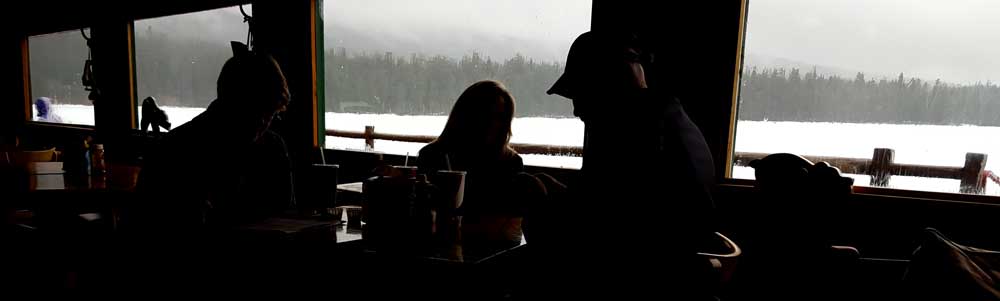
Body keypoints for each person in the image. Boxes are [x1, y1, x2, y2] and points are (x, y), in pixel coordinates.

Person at [532, 31, 719, 299]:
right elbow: (619, 206)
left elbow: (602, 233)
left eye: (581, 93)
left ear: (606, 87)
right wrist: (561, 193)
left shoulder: (633, 136)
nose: (576, 109)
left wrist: (544, 201)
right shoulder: (666, 121)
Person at [131, 43, 293, 236]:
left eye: (270, 114)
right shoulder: (174, 152)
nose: (261, 121)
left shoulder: (171, 148)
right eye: (254, 110)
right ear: (229, 100)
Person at [417, 80, 537, 246]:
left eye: (499, 117)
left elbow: (511, 227)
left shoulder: (510, 163)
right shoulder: (433, 156)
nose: (492, 123)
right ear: (466, 115)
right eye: (485, 114)